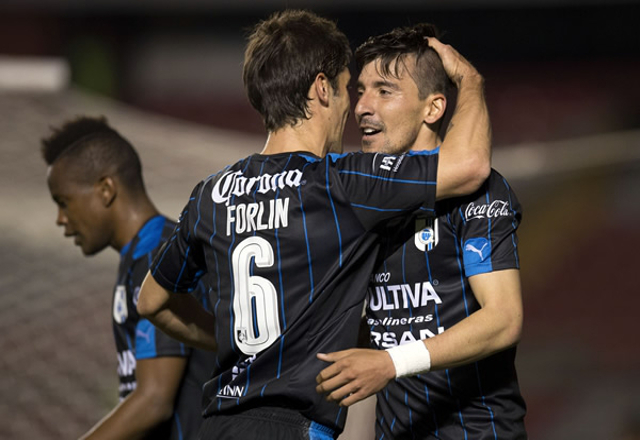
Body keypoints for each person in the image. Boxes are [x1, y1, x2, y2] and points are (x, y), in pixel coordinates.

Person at [136, 10, 491, 440]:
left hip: (216, 427)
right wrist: (470, 81)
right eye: (346, 88)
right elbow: (470, 166)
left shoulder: (210, 194)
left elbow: (151, 301)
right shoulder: (339, 183)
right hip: (293, 428)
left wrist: (239, 344)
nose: (353, 108)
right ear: (322, 88)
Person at [315, 24, 528, 439]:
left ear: (433, 109)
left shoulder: (481, 192)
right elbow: (389, 321)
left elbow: (503, 319)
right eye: (360, 91)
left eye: (385, 91)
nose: (362, 107)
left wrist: (391, 362)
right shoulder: (364, 198)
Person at [41, 116, 215, 440]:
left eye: (64, 202)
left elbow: (154, 400)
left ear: (106, 189)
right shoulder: (139, 257)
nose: (60, 219)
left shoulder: (159, 258)